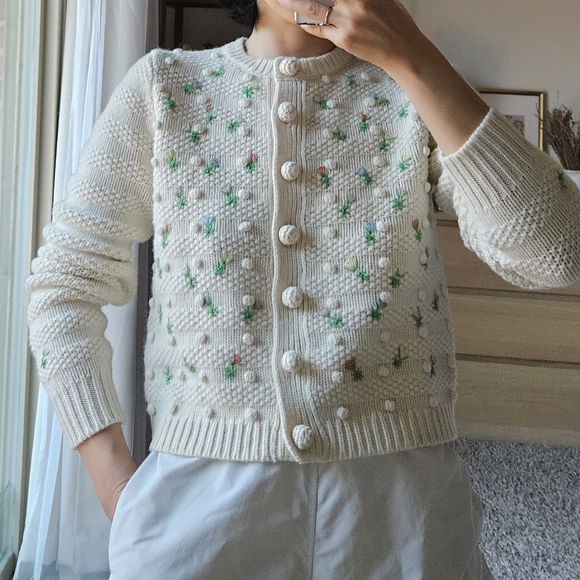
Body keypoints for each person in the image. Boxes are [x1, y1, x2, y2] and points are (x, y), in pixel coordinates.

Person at [25, 0, 580, 578]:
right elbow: (64, 285)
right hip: (196, 511)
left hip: (402, 511)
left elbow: (557, 253)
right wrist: (118, 490)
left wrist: (414, 55)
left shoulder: (410, 89)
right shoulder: (165, 88)